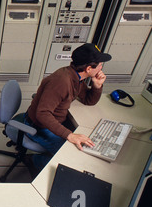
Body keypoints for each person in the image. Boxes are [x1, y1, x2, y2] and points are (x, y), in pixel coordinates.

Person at [25, 43, 112, 172]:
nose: (101, 66)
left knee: (82, 147)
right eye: (99, 64)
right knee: (72, 158)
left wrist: (97, 86)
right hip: (38, 127)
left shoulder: (76, 77)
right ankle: (34, 161)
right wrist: (69, 135)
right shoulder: (61, 81)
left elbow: (88, 100)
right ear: (88, 68)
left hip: (55, 122)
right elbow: (42, 114)